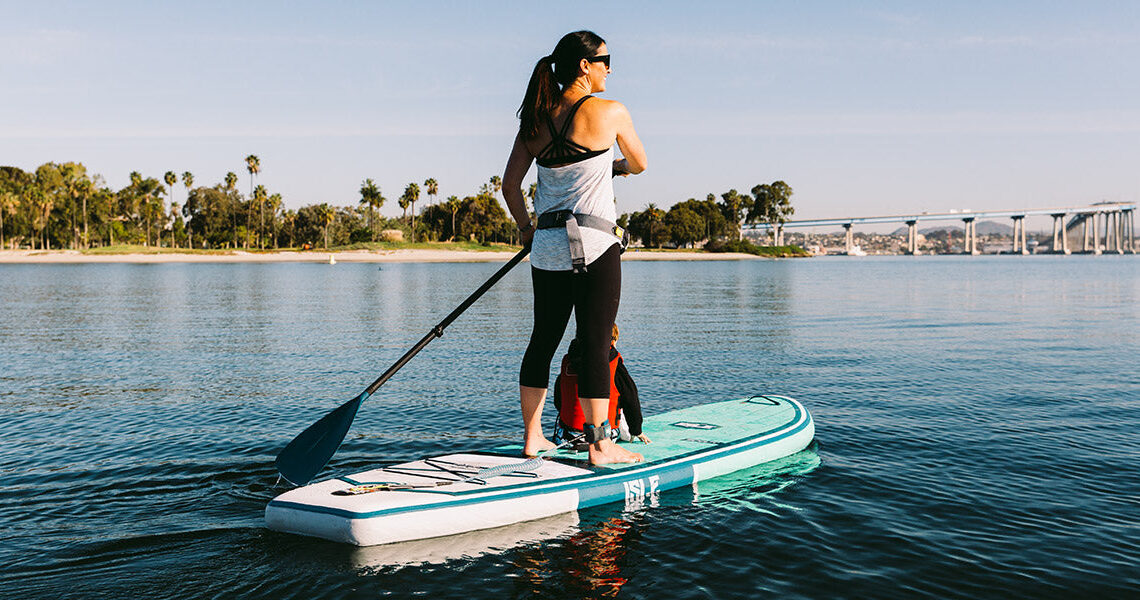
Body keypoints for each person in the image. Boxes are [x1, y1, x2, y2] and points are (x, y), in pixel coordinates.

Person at [502, 30, 648, 465]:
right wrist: (614, 167)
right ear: (584, 65)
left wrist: (527, 229)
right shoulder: (612, 112)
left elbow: (510, 186)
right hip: (596, 246)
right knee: (595, 342)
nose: (609, 68)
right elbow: (640, 163)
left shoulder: (535, 120)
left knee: (542, 340)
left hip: (546, 247)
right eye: (605, 59)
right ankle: (601, 445)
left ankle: (532, 438)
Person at [553, 324, 652, 448]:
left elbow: (558, 401)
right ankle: (628, 435)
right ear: (612, 340)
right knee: (619, 402)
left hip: (567, 437)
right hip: (602, 439)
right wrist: (637, 430)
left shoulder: (568, 361)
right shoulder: (614, 363)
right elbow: (631, 399)